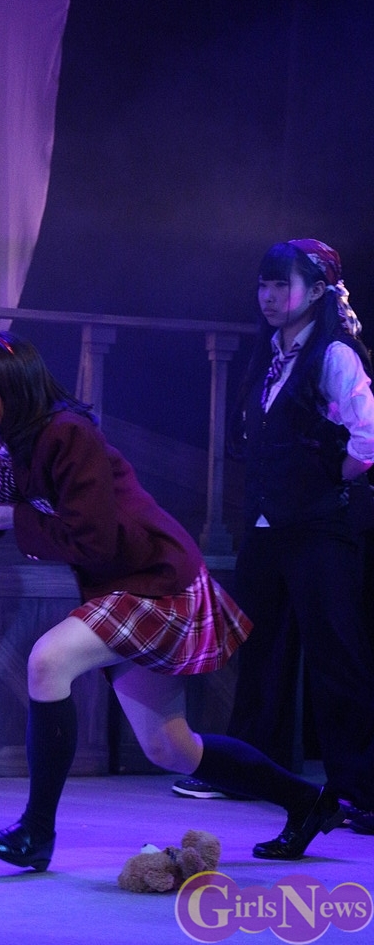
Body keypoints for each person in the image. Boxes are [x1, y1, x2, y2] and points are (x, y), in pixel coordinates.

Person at [0, 329, 346, 871]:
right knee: (169, 747)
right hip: (122, 584)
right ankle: (310, 802)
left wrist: (13, 519)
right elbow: (43, 517)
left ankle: (35, 833)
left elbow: (93, 540)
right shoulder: (9, 447)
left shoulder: (67, 434)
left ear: (13, 388)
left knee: (47, 661)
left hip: (156, 579)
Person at [172, 239, 374, 836]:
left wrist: (329, 480)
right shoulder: (271, 353)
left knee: (335, 656)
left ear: (317, 292)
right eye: (263, 284)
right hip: (267, 525)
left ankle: (359, 789)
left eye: (281, 284)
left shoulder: (333, 355)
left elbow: (368, 436)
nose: (268, 296)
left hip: (320, 527)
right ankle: (250, 772)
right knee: (260, 650)